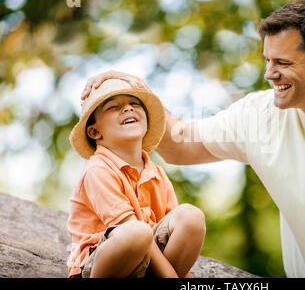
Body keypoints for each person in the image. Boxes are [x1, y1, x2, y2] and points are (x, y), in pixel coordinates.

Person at [81, 0, 305, 277]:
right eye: (267, 61)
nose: (270, 74)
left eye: (283, 63)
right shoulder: (258, 115)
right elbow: (177, 143)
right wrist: (135, 90)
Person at [67, 78, 206, 278]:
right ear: (94, 131)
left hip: (149, 261)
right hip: (104, 260)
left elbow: (171, 233)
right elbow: (132, 232)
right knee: (137, 232)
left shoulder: (156, 173)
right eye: (113, 106)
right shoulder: (97, 170)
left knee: (191, 216)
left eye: (134, 104)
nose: (127, 109)